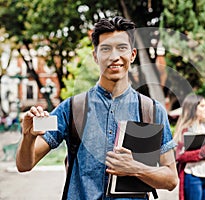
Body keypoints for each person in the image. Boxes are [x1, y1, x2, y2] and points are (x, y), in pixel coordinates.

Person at [16, 16, 178, 199]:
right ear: (95, 56)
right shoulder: (72, 109)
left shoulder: (152, 111)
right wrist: (28, 137)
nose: (114, 57)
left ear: (132, 55)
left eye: (121, 48)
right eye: (106, 49)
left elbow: (171, 179)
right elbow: (24, 165)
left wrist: (135, 168)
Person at [174, 94, 205, 200]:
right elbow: (179, 156)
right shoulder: (185, 130)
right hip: (193, 176)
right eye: (202, 106)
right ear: (193, 109)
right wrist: (203, 153)